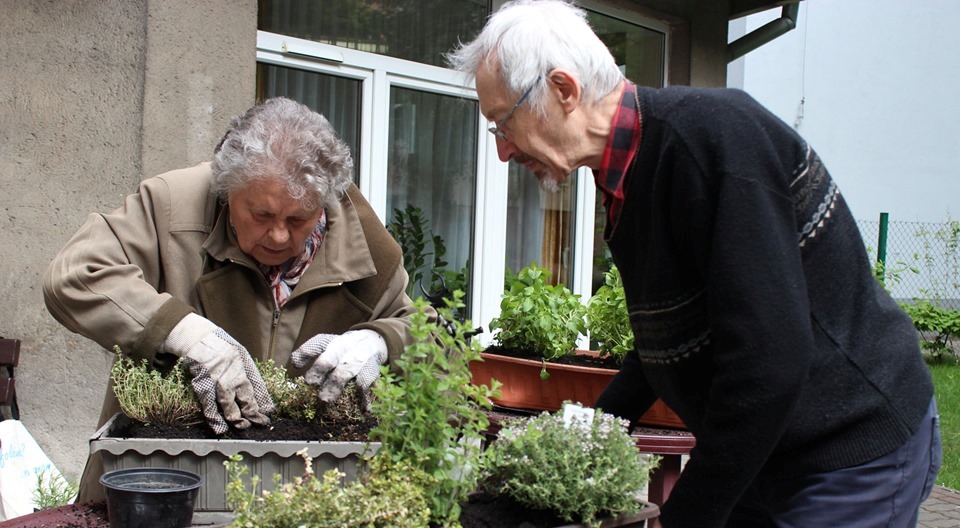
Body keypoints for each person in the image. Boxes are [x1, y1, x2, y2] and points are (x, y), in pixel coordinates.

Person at [448, 1, 941, 527]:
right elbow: (670, 338)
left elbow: (771, 362)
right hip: (763, 442)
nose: (502, 151)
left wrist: (683, 516)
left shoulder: (713, 142)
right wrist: (584, 438)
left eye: (503, 123)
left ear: (563, 90)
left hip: (848, 447)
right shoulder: (624, 176)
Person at [43, 97, 425, 502]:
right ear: (227, 191)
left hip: (299, 497)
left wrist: (381, 341)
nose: (279, 236)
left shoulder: (369, 246)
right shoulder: (171, 205)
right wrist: (181, 332)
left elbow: (430, 343)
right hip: (155, 486)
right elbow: (74, 275)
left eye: (299, 219)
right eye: (261, 215)